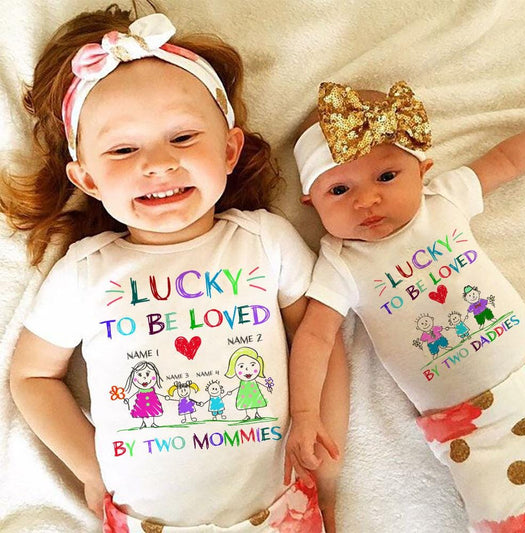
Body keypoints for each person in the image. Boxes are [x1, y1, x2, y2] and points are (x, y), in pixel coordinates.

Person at [5, 5, 348, 532]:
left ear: (229, 149)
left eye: (183, 137)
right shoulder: (85, 272)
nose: (158, 163)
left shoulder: (264, 240)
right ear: (88, 179)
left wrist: (324, 452)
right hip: (145, 520)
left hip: (281, 508)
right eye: (123, 149)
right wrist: (91, 470)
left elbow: (319, 337)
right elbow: (32, 376)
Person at [286, 80, 525, 531]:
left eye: (386, 176)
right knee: (508, 513)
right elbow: (315, 337)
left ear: (422, 170)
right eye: (338, 190)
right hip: (470, 429)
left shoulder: (444, 200)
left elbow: (507, 160)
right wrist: (304, 414)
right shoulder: (341, 263)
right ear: (311, 203)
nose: (366, 200)